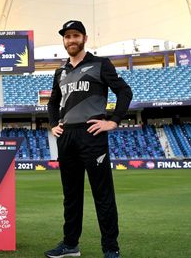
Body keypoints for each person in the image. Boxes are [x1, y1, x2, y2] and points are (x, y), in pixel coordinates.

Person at [45, 20, 132, 258]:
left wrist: (113, 121)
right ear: (63, 41)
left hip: (92, 135)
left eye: (75, 35)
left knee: (102, 194)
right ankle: (71, 244)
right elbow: (53, 102)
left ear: (84, 38)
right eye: (67, 36)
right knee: (71, 195)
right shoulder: (60, 72)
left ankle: (111, 248)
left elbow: (124, 92)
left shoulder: (100, 64)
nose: (71, 40)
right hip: (66, 137)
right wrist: (54, 124)